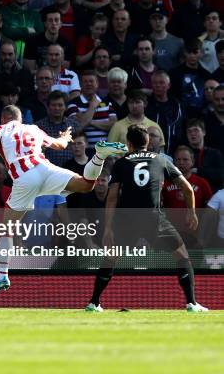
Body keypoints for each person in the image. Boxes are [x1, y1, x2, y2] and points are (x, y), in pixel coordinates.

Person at [0, 105, 128, 297]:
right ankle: (99, 155)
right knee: (86, 185)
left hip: (24, 176)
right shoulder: (33, 129)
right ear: (20, 117)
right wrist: (65, 137)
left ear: (3, 119)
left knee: (6, 229)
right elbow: (60, 146)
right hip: (45, 169)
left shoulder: (2, 130)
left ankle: (1, 275)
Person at [85, 125, 208, 313]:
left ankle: (94, 303)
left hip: (127, 219)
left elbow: (112, 196)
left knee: (110, 258)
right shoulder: (161, 160)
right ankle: (192, 303)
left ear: (129, 144)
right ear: (148, 142)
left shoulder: (121, 163)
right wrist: (191, 212)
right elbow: (187, 188)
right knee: (182, 256)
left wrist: (109, 228)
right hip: (154, 218)